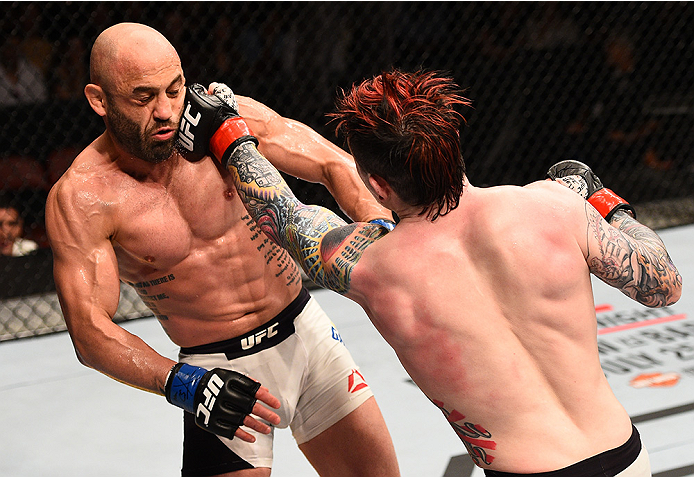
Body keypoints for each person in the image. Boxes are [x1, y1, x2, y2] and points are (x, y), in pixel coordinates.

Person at [194, 69, 682, 475]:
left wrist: (228, 134)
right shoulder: (557, 206)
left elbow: (283, 216)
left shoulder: (368, 266)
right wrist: (605, 204)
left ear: (378, 186)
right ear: (453, 146)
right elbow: (664, 285)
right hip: (628, 460)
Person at [45, 23, 400, 477]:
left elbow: (332, 163)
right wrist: (184, 385)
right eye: (143, 97)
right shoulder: (84, 198)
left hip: (307, 336)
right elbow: (89, 331)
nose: (166, 111)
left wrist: (383, 235)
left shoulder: (225, 121)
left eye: (174, 90)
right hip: (216, 371)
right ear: (99, 101)